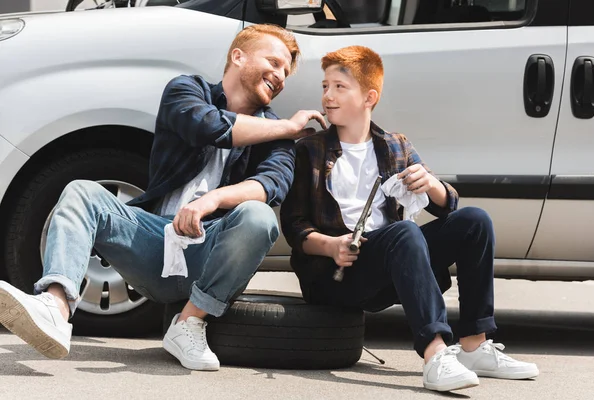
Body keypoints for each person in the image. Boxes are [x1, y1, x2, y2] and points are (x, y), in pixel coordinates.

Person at [0, 24, 326, 371]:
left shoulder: (276, 137)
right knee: (82, 191)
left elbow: (272, 183)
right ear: (238, 56)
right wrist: (289, 128)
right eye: (273, 62)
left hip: (210, 250)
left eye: (285, 72)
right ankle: (55, 308)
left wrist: (211, 201)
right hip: (153, 242)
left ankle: (189, 323)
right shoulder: (186, 90)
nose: (280, 76)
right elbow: (206, 126)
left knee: (259, 217)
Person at [280, 45, 539, 392]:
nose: (328, 96)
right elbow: (294, 224)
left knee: (475, 221)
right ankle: (435, 355)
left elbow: (448, 207)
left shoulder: (395, 146)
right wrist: (330, 246)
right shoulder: (309, 150)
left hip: (389, 263)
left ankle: (475, 347)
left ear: (369, 97)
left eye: (340, 87)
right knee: (404, 232)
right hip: (335, 274)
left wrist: (431, 184)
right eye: (325, 86)